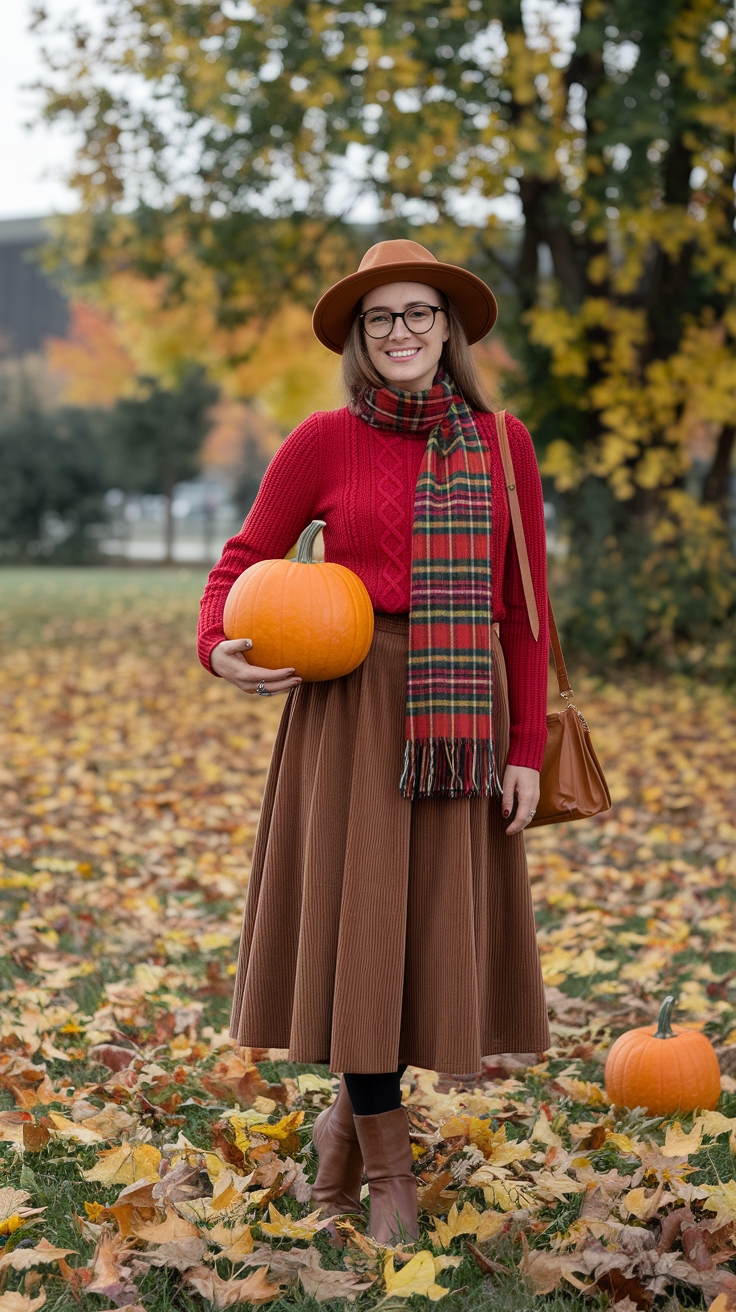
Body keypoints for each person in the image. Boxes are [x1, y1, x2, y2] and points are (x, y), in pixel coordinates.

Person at [197, 239, 550, 1243]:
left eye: (418, 314)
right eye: (381, 318)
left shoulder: (501, 442)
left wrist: (524, 743)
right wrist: (216, 645)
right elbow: (241, 562)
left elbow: (525, 612)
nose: (401, 333)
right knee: (365, 940)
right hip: (351, 711)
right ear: (359, 337)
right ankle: (386, 1173)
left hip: (459, 716)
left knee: (417, 939)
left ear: (449, 330)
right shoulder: (319, 440)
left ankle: (343, 1137)